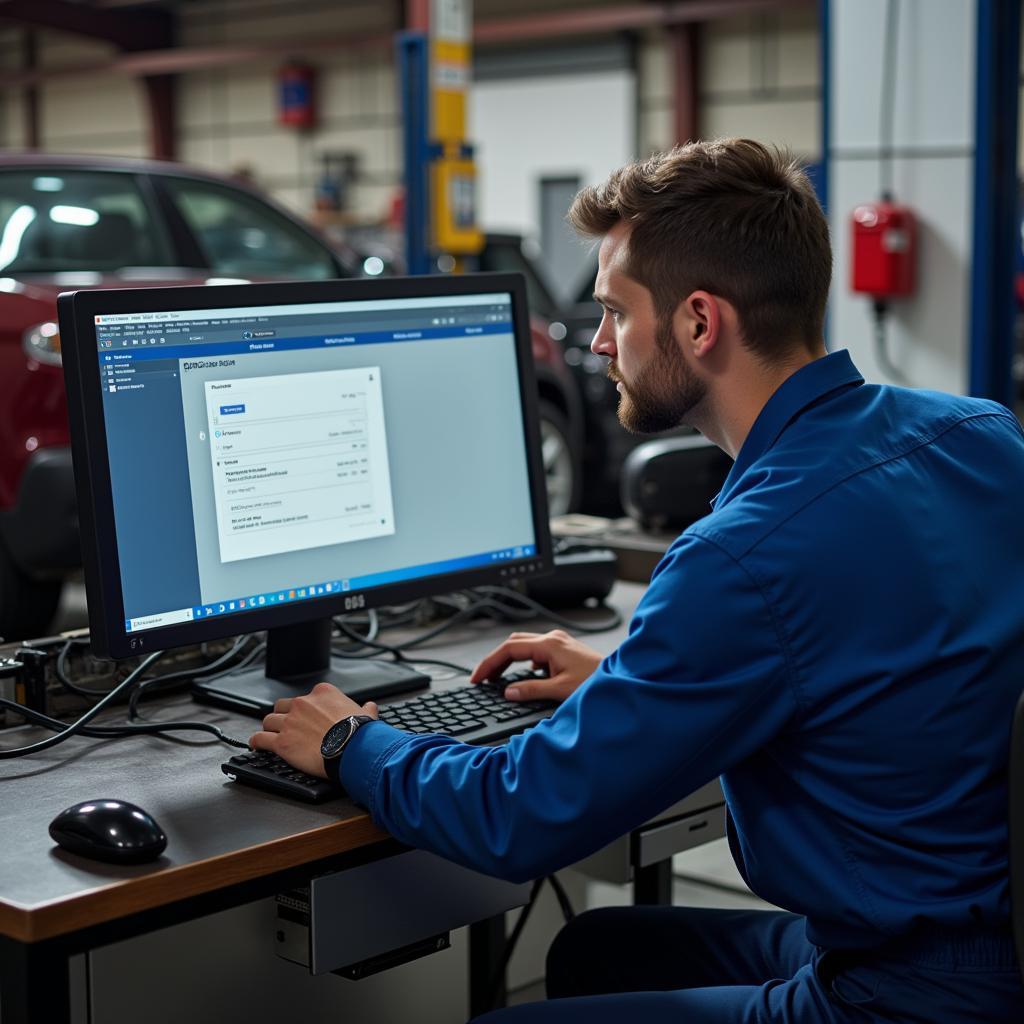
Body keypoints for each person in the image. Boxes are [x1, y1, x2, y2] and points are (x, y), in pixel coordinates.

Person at [249, 138, 1024, 1022]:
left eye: (616, 311)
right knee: (595, 950)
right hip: (983, 933)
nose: (603, 341)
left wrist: (355, 744)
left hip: (911, 993)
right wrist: (627, 684)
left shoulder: (744, 555)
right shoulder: (981, 433)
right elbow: (875, 652)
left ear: (700, 322)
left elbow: (520, 819)